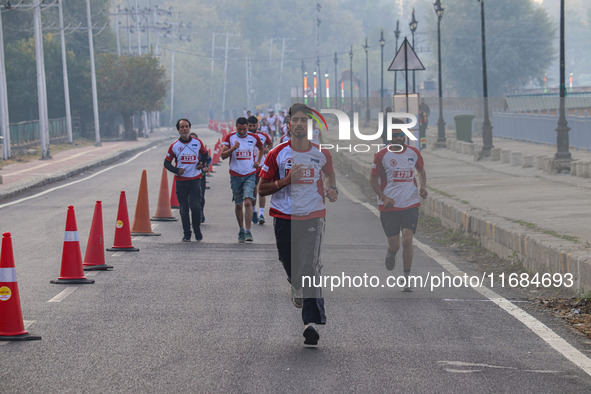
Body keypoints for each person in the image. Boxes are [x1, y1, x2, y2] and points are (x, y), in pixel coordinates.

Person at [259, 103, 338, 346]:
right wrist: (286, 181)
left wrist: (332, 189)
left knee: (310, 265)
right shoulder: (277, 154)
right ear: (289, 123)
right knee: (288, 261)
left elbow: (329, 175)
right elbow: (262, 188)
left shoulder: (321, 153)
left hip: (313, 215)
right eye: (297, 120)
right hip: (284, 216)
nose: (300, 124)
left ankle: (310, 323)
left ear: (309, 125)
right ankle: (295, 284)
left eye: (305, 120)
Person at [369, 124, 428, 291]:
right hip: (389, 207)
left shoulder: (413, 153)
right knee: (395, 244)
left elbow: (421, 171)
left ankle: (407, 278)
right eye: (394, 135)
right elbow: (372, 179)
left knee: (408, 239)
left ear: (405, 136)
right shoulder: (381, 155)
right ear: (389, 137)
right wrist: (383, 197)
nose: (398, 138)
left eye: (401, 134)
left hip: (410, 203)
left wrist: (422, 187)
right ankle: (391, 252)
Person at [164, 119, 208, 242]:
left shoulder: (197, 142)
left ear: (189, 128)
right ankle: (186, 233)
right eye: (182, 127)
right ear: (178, 130)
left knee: (195, 206)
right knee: (184, 208)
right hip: (181, 181)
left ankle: (197, 230)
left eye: (187, 126)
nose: (185, 129)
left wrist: (201, 163)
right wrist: (177, 170)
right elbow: (166, 163)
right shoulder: (174, 146)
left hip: (195, 179)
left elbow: (205, 155)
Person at [221, 117, 264, 243]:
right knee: (239, 204)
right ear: (236, 127)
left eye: (244, 129)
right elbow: (223, 156)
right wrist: (233, 148)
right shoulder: (230, 137)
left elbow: (261, 148)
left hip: (250, 173)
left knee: (248, 202)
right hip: (235, 175)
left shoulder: (253, 138)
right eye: (239, 129)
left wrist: (258, 161)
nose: (242, 131)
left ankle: (248, 230)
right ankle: (241, 229)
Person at [248, 116, 273, 225]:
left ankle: (262, 214)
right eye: (250, 125)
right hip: (250, 167)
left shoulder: (263, 136)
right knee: (253, 191)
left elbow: (270, 143)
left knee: (261, 190)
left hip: (262, 166)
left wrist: (267, 150)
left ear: (258, 125)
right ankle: (254, 211)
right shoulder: (244, 136)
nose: (252, 127)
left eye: (254, 125)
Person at [190, 132, 211, 223]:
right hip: (188, 178)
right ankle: (193, 215)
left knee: (200, 197)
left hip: (200, 177)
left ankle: (201, 212)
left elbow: (208, 159)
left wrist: (206, 167)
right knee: (190, 198)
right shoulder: (184, 150)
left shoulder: (201, 150)